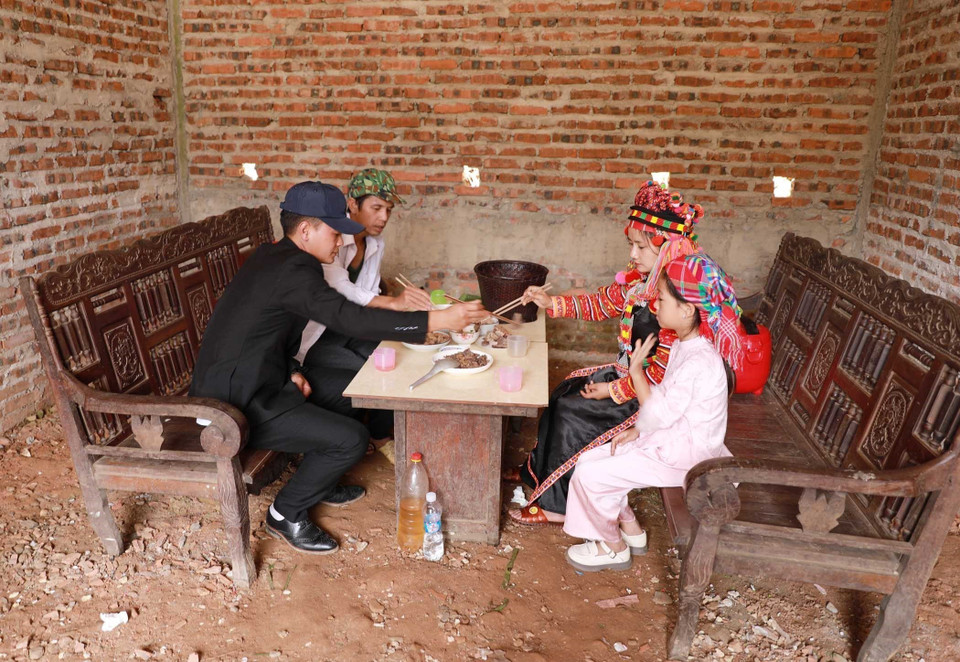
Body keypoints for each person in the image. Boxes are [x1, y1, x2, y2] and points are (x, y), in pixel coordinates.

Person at [189, 181, 487, 554]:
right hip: (232, 404)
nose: (340, 242)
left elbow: (257, 332)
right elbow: (351, 319)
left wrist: (289, 370)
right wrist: (434, 320)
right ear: (306, 230)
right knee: (351, 439)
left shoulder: (279, 258)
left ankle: (320, 479)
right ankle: (285, 514)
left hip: (257, 379)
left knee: (353, 390)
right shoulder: (294, 270)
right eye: (334, 233)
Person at [507, 181, 705, 525]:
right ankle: (535, 474)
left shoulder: (676, 304)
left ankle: (556, 506)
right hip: (631, 377)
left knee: (573, 412)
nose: (632, 255)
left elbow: (660, 379)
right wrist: (551, 302)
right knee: (563, 392)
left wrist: (612, 390)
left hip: (648, 398)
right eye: (631, 245)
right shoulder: (640, 284)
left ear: (668, 249)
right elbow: (601, 303)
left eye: (640, 247)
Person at [562, 253, 742, 572]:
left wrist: (635, 371)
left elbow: (658, 410)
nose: (655, 306)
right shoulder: (686, 346)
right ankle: (631, 529)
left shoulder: (700, 360)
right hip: (673, 442)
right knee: (591, 459)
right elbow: (667, 408)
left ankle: (612, 547)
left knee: (592, 475)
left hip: (688, 459)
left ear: (687, 310)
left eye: (660, 299)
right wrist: (638, 431)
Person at [294, 169, 432, 445]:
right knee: (371, 370)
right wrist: (394, 302)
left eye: (389, 210)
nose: (383, 218)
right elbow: (338, 286)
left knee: (394, 357)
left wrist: (396, 306)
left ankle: (381, 435)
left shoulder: (373, 243)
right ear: (353, 204)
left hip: (350, 327)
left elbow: (367, 292)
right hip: (317, 338)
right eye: (376, 207)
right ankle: (367, 436)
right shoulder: (330, 237)